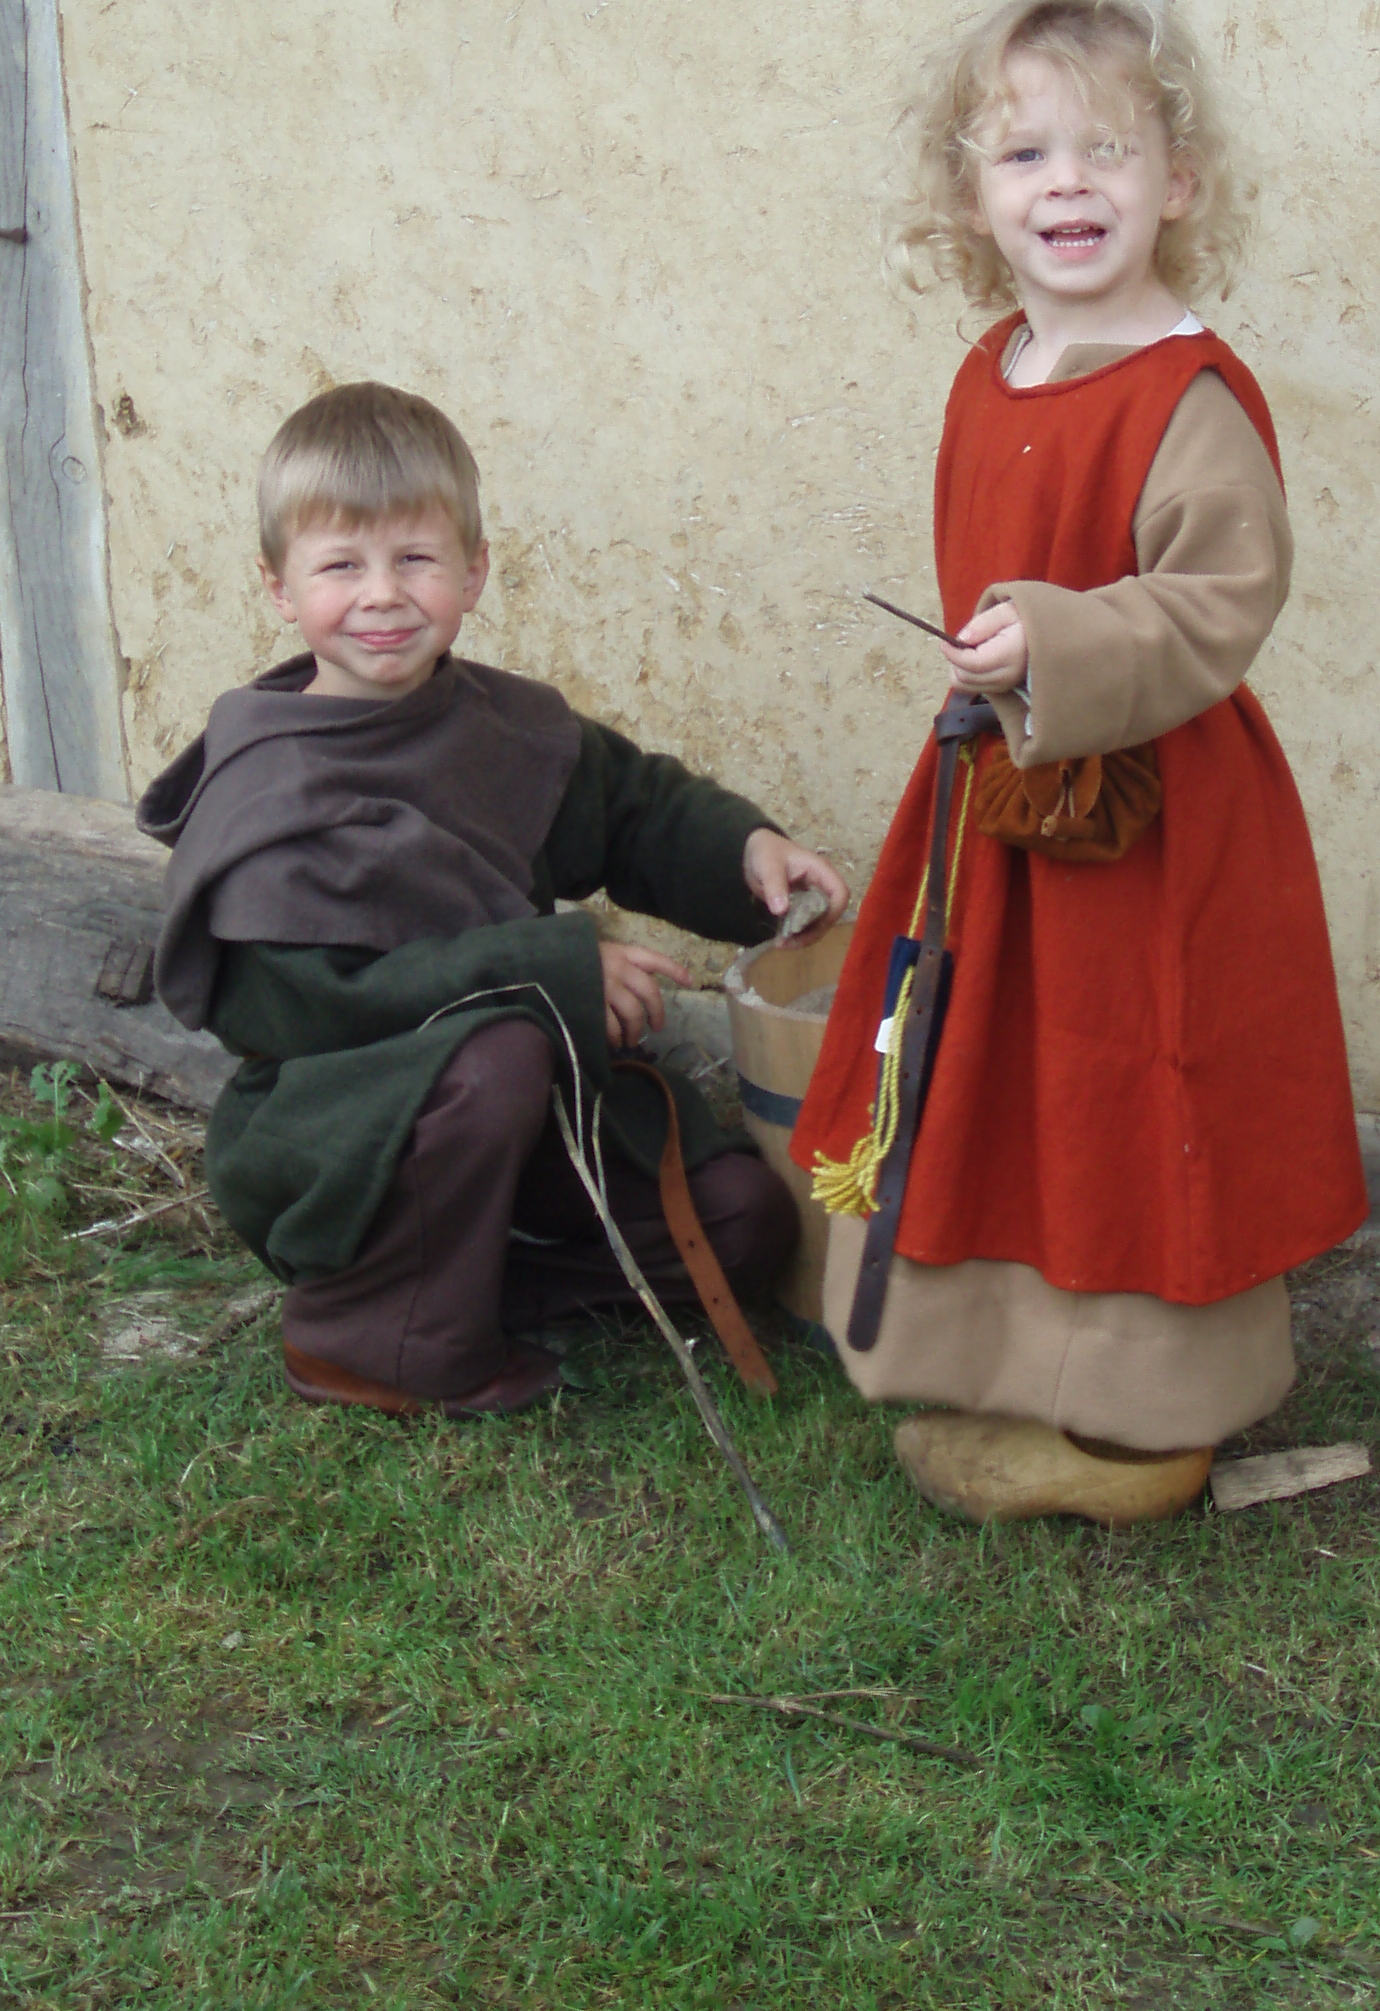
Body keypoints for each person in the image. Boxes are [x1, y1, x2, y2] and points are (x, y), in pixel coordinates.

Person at [791, 0, 1368, 1524]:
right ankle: (1001, 1360)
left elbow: (1220, 598)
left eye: (1109, 149)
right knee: (996, 1067)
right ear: (970, 193)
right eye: (1026, 153)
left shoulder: (1187, 393)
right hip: (999, 800)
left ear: (1179, 181)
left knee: (1132, 1082)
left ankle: (1145, 1430)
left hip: (1147, 816)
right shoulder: (995, 368)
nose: (1069, 183)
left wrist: (1053, 641)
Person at [139, 382, 848, 1417]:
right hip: (346, 1140)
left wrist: (748, 849)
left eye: (415, 559)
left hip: (528, 1111)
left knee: (740, 1220)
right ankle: (362, 1332)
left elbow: (634, 810)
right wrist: (558, 969)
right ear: (279, 586)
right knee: (499, 1054)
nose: (383, 595)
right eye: (341, 565)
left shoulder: (498, 726)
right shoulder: (265, 785)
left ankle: (463, 1289)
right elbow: (304, 1007)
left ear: (473, 572)